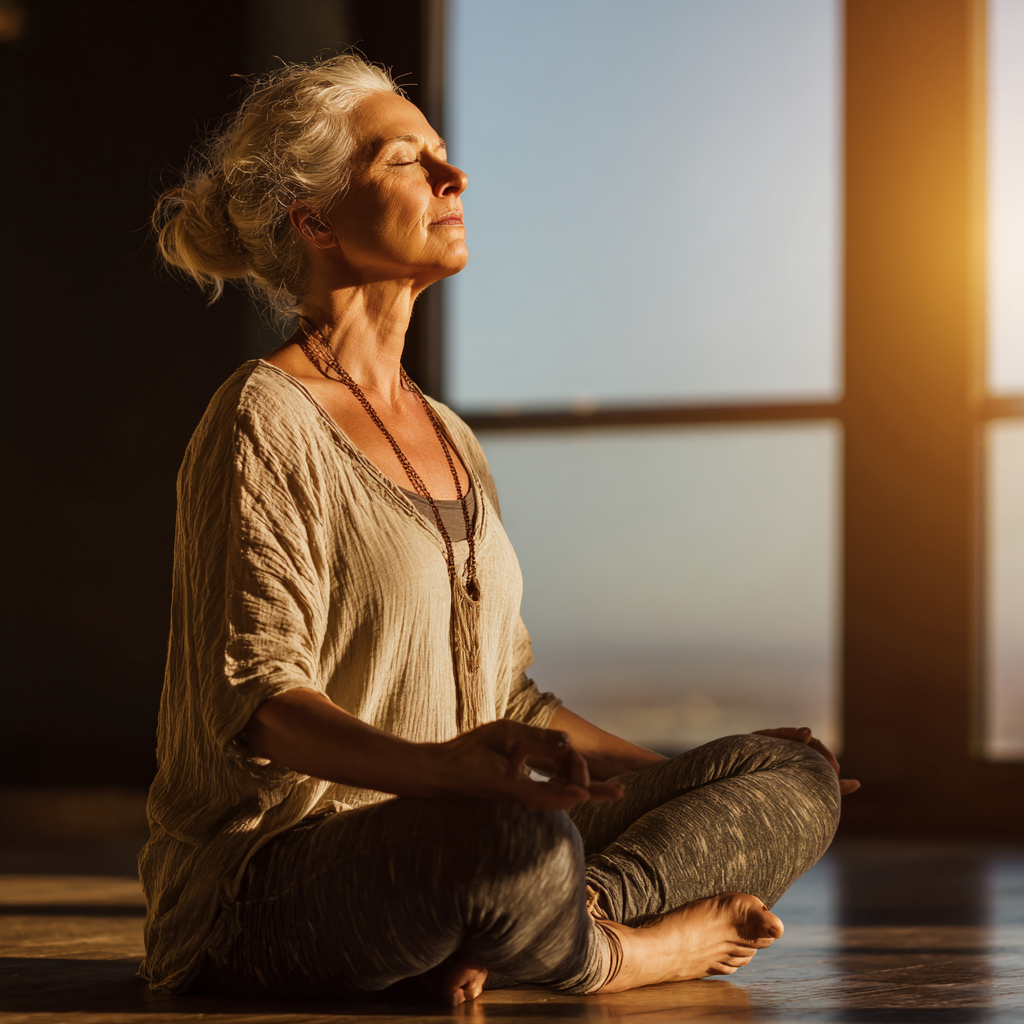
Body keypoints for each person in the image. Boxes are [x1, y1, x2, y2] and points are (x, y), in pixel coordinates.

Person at [141, 54, 858, 1006]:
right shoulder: (264, 418)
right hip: (276, 883)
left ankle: (550, 920)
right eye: (407, 161)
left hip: (460, 833)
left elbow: (506, 701)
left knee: (793, 772)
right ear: (314, 221)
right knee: (500, 838)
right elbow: (260, 703)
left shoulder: (450, 437)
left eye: (444, 153)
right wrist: (441, 774)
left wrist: (681, 779)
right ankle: (618, 953)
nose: (456, 177)